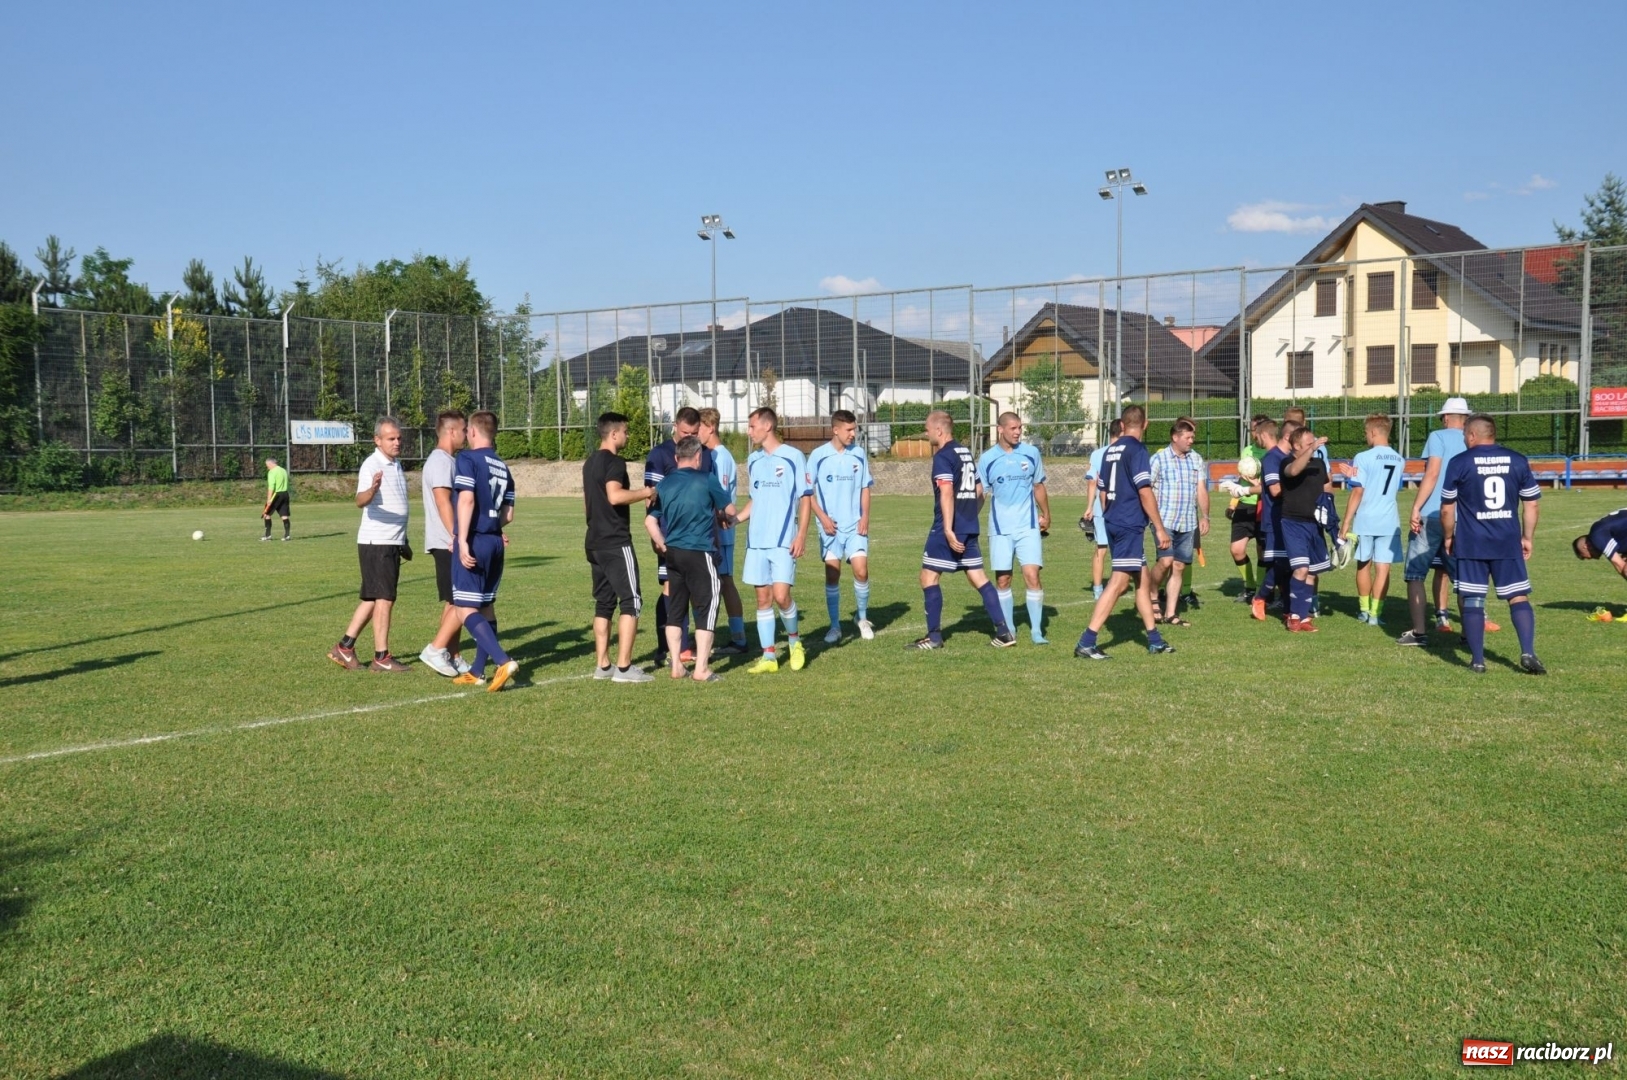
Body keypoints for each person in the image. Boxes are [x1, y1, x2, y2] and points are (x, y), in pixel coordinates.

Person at [1440, 414, 1545, 674]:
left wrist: (1448, 536)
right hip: (1507, 541)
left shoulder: (1459, 462)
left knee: (1473, 599)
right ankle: (1528, 652)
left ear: (1473, 435)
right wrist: (1527, 537)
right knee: (1517, 595)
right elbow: (1531, 503)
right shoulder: (1518, 459)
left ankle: (1477, 660)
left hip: (1472, 542)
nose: (1464, 438)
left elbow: (1446, 508)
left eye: (1465, 434)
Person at [1073, 405, 1175, 660]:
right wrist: (1159, 528)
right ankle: (1087, 641)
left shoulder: (1109, 452)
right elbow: (1144, 490)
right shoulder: (1137, 449)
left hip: (1113, 519)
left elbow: (1103, 490)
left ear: (1121, 425)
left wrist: (1111, 516)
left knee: (1141, 580)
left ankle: (1154, 640)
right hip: (1129, 523)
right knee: (1119, 583)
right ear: (1145, 424)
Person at [908, 410, 1016, 650]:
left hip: (949, 527)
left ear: (938, 430)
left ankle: (934, 638)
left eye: (927, 429)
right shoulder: (965, 453)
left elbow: (946, 492)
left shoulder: (943, 456)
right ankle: (1004, 632)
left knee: (928, 577)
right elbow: (980, 491)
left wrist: (948, 528)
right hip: (968, 525)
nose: (926, 433)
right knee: (978, 577)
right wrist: (969, 515)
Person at [644, 435, 735, 682]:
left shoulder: (664, 484)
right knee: (707, 606)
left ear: (676, 458)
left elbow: (650, 520)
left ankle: (676, 665)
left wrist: (662, 543)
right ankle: (701, 669)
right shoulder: (707, 479)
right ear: (698, 457)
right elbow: (730, 510)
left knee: (676, 610)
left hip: (673, 553)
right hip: (700, 551)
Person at [733, 407, 813, 673]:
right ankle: (769, 656)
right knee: (762, 599)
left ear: (767, 426)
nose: (749, 431)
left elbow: (805, 498)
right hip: (756, 542)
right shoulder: (753, 460)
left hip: (783, 540)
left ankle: (794, 641)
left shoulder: (793, 457)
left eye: (752, 425)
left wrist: (801, 534)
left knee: (781, 596)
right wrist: (735, 519)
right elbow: (755, 500)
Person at [327, 417, 411, 672]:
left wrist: (403, 540)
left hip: (390, 541)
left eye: (398, 438)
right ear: (377, 440)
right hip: (378, 542)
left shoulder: (395, 464)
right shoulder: (372, 464)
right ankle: (381, 657)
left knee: (373, 598)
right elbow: (359, 500)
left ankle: (344, 647)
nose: (397, 442)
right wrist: (371, 491)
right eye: (391, 438)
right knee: (384, 598)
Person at [584, 411, 657, 684]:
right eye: (625, 432)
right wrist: (646, 492)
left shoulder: (589, 462)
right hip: (615, 542)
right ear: (613, 434)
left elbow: (587, 503)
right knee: (631, 601)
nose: (627, 436)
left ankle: (602, 664)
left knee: (604, 603)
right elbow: (615, 496)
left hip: (594, 541)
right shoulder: (615, 462)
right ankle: (624, 668)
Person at [450, 410, 520, 692]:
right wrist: (493, 524)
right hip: (494, 541)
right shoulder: (504, 467)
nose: (465, 435)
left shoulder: (466, 458)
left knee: (464, 607)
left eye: (467, 430)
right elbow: (509, 514)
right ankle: (478, 670)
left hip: (477, 539)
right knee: (486, 606)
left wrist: (462, 539)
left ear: (474, 432)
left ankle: (503, 661)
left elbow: (466, 500)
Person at [1399, 397, 1471, 646]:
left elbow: (1432, 473)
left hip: (1433, 513)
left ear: (1448, 417)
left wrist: (1416, 506)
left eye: (1443, 416)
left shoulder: (1438, 437)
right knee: (1463, 578)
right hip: (1462, 516)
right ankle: (1468, 634)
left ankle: (1419, 632)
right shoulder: (1472, 440)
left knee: (1415, 573)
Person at [645, 407, 713, 667]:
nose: (690, 437)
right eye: (685, 432)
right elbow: (652, 498)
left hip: (700, 538)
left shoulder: (704, 455)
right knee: (670, 588)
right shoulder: (661, 454)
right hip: (671, 536)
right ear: (675, 426)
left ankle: (689, 644)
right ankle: (670, 647)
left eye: (695, 433)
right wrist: (656, 536)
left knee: (698, 590)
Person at [979, 412, 1050, 644]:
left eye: (1020, 427)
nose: (1018, 432)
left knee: (1032, 575)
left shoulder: (1031, 454)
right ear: (1000, 429)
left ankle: (1037, 631)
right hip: (1000, 529)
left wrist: (1046, 514)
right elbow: (981, 494)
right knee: (1003, 580)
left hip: (1028, 526)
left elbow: (1038, 485)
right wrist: (968, 518)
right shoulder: (987, 459)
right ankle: (1009, 629)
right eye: (1013, 428)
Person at [807, 409, 875, 643]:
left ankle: (862, 618)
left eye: (854, 429)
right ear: (835, 430)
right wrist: (823, 518)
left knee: (861, 570)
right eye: (849, 430)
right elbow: (807, 493)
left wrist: (865, 515)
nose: (853, 434)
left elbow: (866, 487)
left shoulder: (859, 454)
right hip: (830, 528)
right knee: (832, 575)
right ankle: (835, 626)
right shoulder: (818, 456)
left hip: (854, 524)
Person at [418, 410, 474, 677]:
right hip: (446, 542)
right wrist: (456, 536)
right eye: (463, 430)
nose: (466, 434)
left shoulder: (448, 460)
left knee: (455, 601)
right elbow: (443, 501)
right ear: (452, 431)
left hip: (449, 541)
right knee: (457, 602)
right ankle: (437, 651)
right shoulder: (441, 462)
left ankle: (451, 655)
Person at [1341, 414, 1406, 627]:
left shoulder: (1363, 456)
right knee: (1383, 568)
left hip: (1367, 518)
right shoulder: (1399, 458)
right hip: (1389, 519)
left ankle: (1364, 610)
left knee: (1363, 564)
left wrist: (1346, 521)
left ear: (1373, 432)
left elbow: (1359, 490)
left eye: (1366, 433)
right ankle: (1376, 615)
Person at [1149, 417, 1209, 625]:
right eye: (1188, 437)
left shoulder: (1196, 459)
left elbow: (1201, 489)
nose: (1192, 440)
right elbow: (1146, 490)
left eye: (1193, 437)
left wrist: (1205, 516)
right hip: (1164, 520)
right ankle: (1153, 593)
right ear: (1175, 437)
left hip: (1188, 521)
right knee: (1165, 561)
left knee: (1179, 566)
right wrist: (1153, 522)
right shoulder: (1159, 459)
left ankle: (1170, 613)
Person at [698, 408, 749, 653]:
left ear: (710, 428)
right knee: (718, 583)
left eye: (699, 428)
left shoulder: (720, 456)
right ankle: (724, 636)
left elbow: (722, 495)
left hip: (722, 533)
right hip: (716, 532)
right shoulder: (714, 454)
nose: (696, 433)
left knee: (724, 583)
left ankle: (738, 639)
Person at [1279, 426, 1333, 632]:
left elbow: (1327, 486)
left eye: (1314, 442)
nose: (1314, 446)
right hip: (1293, 523)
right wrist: (1312, 450)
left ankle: (1304, 618)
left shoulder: (1318, 463)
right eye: (1309, 444)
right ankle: (1293, 615)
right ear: (1296, 445)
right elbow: (1293, 471)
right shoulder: (1286, 462)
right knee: (1300, 569)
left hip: (1314, 524)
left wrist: (1330, 511)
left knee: (1311, 572)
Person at [1249, 419, 1295, 620]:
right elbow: (1275, 490)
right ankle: (1260, 598)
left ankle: (1287, 609)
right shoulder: (1271, 459)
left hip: (1288, 519)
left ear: (1263, 435)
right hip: (1274, 520)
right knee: (1281, 564)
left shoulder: (1286, 456)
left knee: (1288, 565)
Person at [1227, 416, 1270, 601]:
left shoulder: (1271, 453)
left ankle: (1261, 592)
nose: (1253, 433)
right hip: (1245, 504)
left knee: (1263, 551)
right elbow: (1241, 481)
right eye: (1252, 430)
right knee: (1237, 549)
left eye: (1255, 430)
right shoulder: (1247, 451)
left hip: (1263, 506)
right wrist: (1233, 502)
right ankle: (1250, 586)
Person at [1081, 419, 1123, 599]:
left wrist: (1089, 507)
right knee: (1121, 549)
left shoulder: (1097, 454)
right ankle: (1117, 585)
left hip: (1100, 507)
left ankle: (1098, 589)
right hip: (1121, 506)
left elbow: (1092, 481)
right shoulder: (1126, 452)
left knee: (1101, 548)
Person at [1572, 508, 1627, 580]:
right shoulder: (1603, 536)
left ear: (1586, 546)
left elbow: (1620, 565)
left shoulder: (1597, 537)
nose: (1595, 558)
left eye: (1589, 557)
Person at [261, 457, 291, 541]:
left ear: (271, 463)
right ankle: (287, 535)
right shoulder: (283, 470)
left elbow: (271, 487)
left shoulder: (272, 472)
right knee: (284, 515)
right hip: (285, 493)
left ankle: (268, 536)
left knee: (266, 514)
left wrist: (269, 499)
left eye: (267, 465)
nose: (267, 467)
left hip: (276, 494)